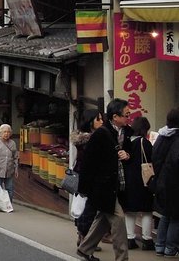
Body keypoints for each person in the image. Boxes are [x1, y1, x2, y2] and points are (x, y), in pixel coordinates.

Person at [77, 98, 132, 261]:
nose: (129, 117)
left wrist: (127, 155)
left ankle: (85, 249)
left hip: (117, 184)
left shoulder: (126, 132)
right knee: (119, 218)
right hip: (103, 186)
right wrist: (85, 188)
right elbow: (88, 162)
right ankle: (122, 258)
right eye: (126, 115)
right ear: (115, 116)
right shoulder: (102, 134)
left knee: (102, 218)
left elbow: (129, 153)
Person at [70, 109, 105, 249]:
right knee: (88, 208)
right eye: (99, 119)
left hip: (80, 174)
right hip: (88, 177)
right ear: (91, 122)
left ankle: (83, 236)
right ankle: (85, 238)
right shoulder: (91, 140)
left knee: (83, 206)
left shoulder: (81, 139)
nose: (102, 122)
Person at [121, 116, 154, 250]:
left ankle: (130, 239)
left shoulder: (126, 141)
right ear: (144, 129)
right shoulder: (144, 143)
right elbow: (151, 159)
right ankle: (147, 240)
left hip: (128, 180)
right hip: (143, 180)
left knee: (130, 211)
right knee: (146, 210)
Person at [152, 107, 179, 257]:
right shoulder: (177, 138)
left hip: (161, 182)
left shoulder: (162, 136)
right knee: (176, 217)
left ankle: (160, 246)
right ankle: (170, 248)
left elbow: (154, 157)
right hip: (175, 183)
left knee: (166, 215)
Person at [0, 123, 19, 205]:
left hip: (9, 170)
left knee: (10, 189)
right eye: (4, 132)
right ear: (0, 133)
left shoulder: (12, 143)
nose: (6, 134)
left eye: (8, 132)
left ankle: (8, 205)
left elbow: (15, 157)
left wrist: (16, 169)